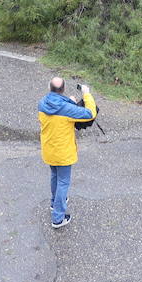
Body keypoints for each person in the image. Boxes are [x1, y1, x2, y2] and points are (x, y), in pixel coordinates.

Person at [37, 76, 96, 229]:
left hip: (49, 150)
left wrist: (69, 102)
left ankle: (54, 203)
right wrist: (86, 94)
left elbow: (57, 109)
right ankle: (58, 218)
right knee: (63, 182)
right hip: (63, 153)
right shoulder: (67, 109)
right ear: (62, 89)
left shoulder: (42, 103)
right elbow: (90, 113)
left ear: (49, 87)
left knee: (55, 176)